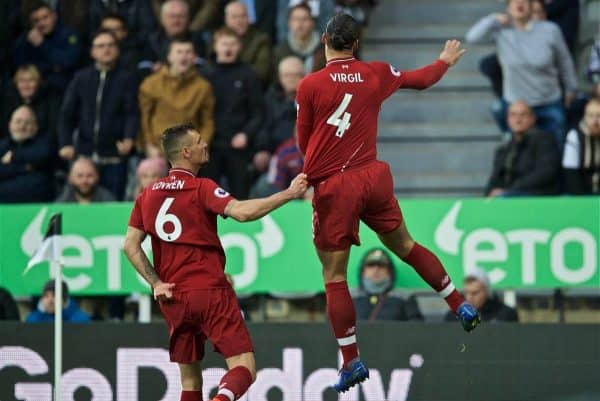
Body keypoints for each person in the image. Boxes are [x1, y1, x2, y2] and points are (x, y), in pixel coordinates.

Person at [295, 13, 480, 393]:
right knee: (407, 246)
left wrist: (312, 175)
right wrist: (444, 60)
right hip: (372, 177)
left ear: (325, 39)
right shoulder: (376, 72)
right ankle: (459, 303)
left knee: (334, 277)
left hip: (335, 186)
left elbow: (303, 141)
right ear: (356, 44)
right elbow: (422, 79)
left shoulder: (310, 85)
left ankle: (351, 361)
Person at [123, 123, 307, 401]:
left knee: (189, 381)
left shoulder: (146, 196)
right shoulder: (201, 188)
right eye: (198, 141)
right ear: (186, 152)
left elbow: (130, 245)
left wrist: (156, 282)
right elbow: (243, 213)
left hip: (172, 296)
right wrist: (288, 194)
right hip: (208, 290)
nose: (204, 144)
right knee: (244, 367)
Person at [466, 0, 578, 148]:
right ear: (508, 7)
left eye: (524, 1)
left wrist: (571, 88)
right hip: (516, 104)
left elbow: (564, 61)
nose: (519, 4)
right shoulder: (501, 30)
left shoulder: (550, 30)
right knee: (500, 115)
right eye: (514, 1)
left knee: (556, 148)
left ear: (531, 6)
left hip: (548, 101)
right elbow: (471, 37)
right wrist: (492, 19)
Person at [58, 29, 139, 200]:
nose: (106, 49)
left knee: (113, 205)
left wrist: (129, 138)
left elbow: (131, 112)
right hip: (84, 155)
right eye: (101, 46)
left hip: (114, 157)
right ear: (93, 51)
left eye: (110, 45)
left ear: (117, 50)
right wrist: (65, 143)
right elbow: (67, 113)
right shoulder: (81, 78)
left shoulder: (127, 78)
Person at [200, 27, 264, 199]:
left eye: (233, 44)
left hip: (238, 146)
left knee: (240, 196)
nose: (228, 48)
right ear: (215, 46)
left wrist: (246, 134)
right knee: (207, 195)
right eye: (224, 44)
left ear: (239, 47)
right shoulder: (205, 74)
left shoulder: (249, 75)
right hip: (209, 145)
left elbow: (258, 112)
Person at [139, 37, 214, 158]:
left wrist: (201, 146)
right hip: (158, 150)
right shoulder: (151, 84)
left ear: (194, 58)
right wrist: (149, 145)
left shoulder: (203, 87)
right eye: (179, 52)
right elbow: (144, 117)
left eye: (188, 52)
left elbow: (207, 121)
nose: (184, 56)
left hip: (190, 152)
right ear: (169, 57)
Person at [485, 101, 560, 197]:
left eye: (523, 115)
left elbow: (545, 173)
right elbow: (494, 179)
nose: (518, 120)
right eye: (513, 115)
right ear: (508, 120)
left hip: (536, 196)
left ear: (533, 119)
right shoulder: (503, 150)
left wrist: (509, 190)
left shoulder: (545, 140)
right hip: (510, 195)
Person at [13, 1, 81, 92]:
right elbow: (22, 67)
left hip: (63, 87)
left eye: (45, 18)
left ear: (54, 16)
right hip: (35, 88)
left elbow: (67, 62)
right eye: (36, 20)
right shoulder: (26, 39)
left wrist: (42, 45)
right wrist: (53, 67)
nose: (42, 23)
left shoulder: (69, 34)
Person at [0, 105, 54, 203]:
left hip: (35, 199)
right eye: (18, 121)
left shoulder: (44, 144)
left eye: (27, 122)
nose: (22, 126)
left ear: (35, 127)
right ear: (10, 125)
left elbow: (41, 156)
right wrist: (24, 168)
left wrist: (13, 157)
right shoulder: (3, 146)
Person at [352, 248, 423, 321]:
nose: (376, 269)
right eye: (371, 265)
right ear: (362, 271)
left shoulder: (405, 297)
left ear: (389, 271)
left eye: (381, 265)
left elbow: (417, 328)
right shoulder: (349, 297)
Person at [1, 64, 60, 143]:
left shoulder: (51, 101)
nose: (26, 85)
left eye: (31, 80)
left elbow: (53, 131)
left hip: (40, 144)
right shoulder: (8, 101)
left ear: (39, 82)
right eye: (21, 81)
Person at [444, 269, 518, 323]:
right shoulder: (453, 317)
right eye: (466, 293)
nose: (469, 298)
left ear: (486, 291)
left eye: (475, 293)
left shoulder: (506, 315)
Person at [224, 1, 272, 84]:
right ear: (226, 20)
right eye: (234, 17)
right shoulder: (219, 38)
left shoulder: (261, 40)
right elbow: (210, 66)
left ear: (249, 18)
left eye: (243, 16)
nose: (239, 21)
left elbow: (261, 73)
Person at [273, 3, 326, 74]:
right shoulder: (280, 52)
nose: (300, 24)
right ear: (289, 23)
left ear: (313, 23)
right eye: (295, 19)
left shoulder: (324, 50)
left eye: (304, 19)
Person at [563, 98, 600, 194]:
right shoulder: (574, 135)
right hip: (582, 191)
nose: (595, 121)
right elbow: (571, 172)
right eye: (590, 116)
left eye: (599, 116)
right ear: (584, 117)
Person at [26, 279, 90, 323]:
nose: (50, 300)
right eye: (46, 296)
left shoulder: (80, 320)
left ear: (64, 299)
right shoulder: (33, 319)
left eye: (54, 295)